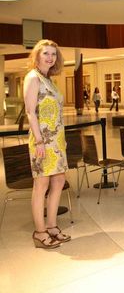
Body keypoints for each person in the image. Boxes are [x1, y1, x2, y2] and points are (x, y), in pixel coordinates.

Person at [23, 39, 70, 249]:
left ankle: (52, 226)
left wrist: (62, 139)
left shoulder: (49, 79)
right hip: (42, 140)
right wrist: (40, 140)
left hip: (56, 140)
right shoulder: (33, 78)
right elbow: (30, 112)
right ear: (37, 56)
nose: (50, 57)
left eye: (53, 54)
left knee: (59, 181)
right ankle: (39, 232)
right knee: (41, 185)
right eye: (46, 54)